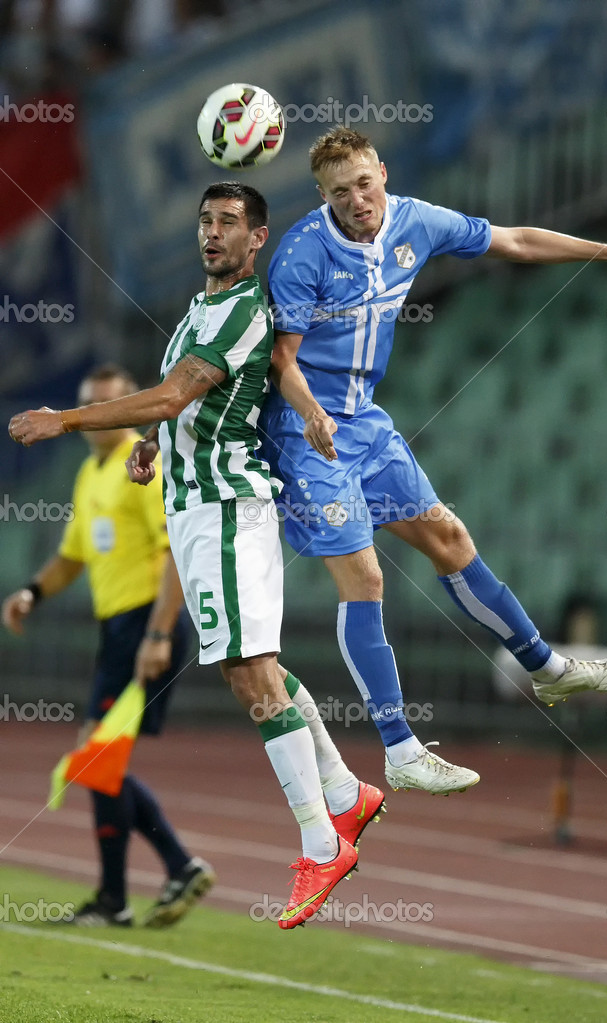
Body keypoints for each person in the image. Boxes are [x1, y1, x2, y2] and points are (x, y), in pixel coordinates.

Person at [7, 181, 385, 931]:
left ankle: (321, 841)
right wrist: (155, 447)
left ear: (258, 239)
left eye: (229, 224)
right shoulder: (198, 309)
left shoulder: (245, 309)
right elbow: (190, 407)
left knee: (248, 676)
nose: (212, 234)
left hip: (225, 509)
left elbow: (175, 395)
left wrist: (69, 418)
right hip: (196, 506)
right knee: (257, 664)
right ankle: (345, 792)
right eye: (206, 221)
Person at [259, 125, 607, 797]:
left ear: (383, 174)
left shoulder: (415, 221)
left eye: (365, 183)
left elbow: (513, 239)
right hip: (305, 437)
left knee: (449, 537)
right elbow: (282, 358)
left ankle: (546, 668)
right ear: (322, 195)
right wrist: (310, 412)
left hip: (364, 422)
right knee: (365, 576)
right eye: (341, 192)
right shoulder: (303, 252)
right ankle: (399, 748)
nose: (357, 199)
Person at [2, 363, 215, 927]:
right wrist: (30, 592)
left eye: (109, 406)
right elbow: (74, 553)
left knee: (95, 759)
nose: (98, 421)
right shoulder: (91, 473)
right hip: (118, 628)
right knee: (99, 761)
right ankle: (160, 876)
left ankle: (132, 889)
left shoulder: (141, 467)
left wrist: (160, 633)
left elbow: (175, 550)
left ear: (128, 408)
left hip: (145, 622)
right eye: (90, 406)